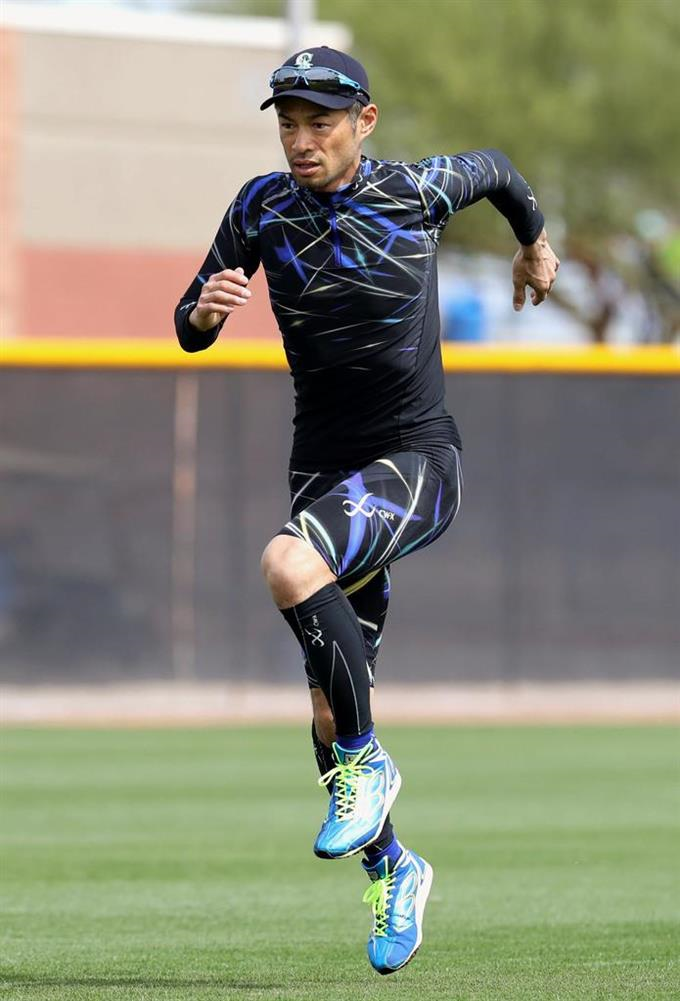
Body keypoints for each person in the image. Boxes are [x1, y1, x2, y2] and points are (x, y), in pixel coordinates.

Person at [174, 46, 559, 975]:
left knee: (287, 564)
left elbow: (498, 170)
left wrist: (534, 242)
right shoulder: (259, 207)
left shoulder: (415, 191)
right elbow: (188, 322)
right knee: (324, 709)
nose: (302, 141)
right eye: (289, 125)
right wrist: (205, 313)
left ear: (365, 122)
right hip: (323, 469)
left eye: (321, 123)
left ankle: (370, 761)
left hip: (415, 459)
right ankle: (394, 865)